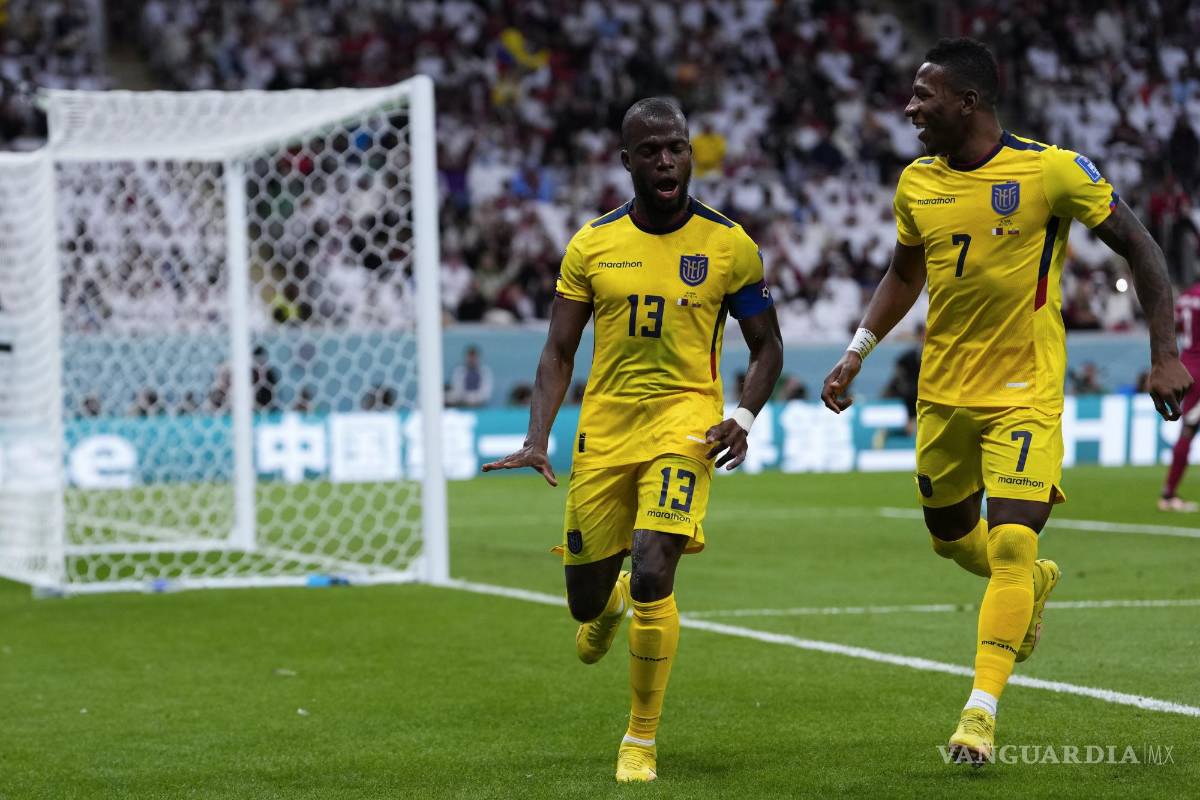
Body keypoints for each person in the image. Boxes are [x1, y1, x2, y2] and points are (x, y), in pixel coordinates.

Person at [819, 38, 1191, 766]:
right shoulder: (917, 183)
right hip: (944, 392)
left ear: (969, 101)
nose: (910, 108)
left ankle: (978, 715)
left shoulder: (1051, 170)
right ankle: (1032, 585)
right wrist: (857, 349)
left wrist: (1166, 353)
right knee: (952, 539)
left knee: (1014, 539)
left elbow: (1141, 247)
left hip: (1024, 389)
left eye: (924, 96)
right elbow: (904, 273)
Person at [482, 97, 783, 783]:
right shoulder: (593, 245)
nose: (666, 160)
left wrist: (745, 415)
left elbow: (767, 347)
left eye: (676, 147)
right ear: (628, 162)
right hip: (606, 432)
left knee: (653, 570)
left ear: (689, 153)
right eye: (650, 150)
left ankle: (640, 741)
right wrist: (537, 438)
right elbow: (559, 350)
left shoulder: (729, 244)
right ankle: (608, 602)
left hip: (687, 424)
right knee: (586, 606)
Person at [1160, 280, 1200, 511]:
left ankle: (1168, 494)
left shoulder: (1186, 296)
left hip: (1185, 367)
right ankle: (1168, 495)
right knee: (1188, 430)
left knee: (1188, 428)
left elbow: (1175, 329)